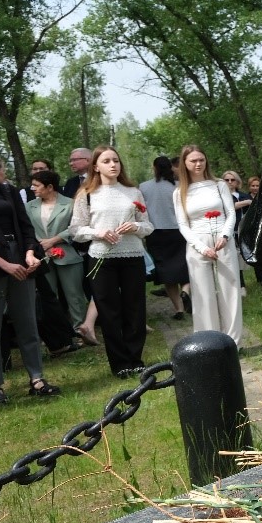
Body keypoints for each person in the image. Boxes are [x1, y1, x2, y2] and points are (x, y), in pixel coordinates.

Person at [0, 138, 61, 405]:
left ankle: (37, 379)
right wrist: (5, 264)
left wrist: (30, 253)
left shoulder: (7, 190)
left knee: (27, 322)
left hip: (20, 260)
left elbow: (25, 226)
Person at [70, 145, 155, 377]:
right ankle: (120, 364)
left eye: (115, 160)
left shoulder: (133, 192)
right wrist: (98, 233)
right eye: (106, 161)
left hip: (133, 256)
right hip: (101, 258)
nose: (113, 165)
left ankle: (135, 359)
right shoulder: (86, 194)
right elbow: (76, 230)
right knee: (109, 311)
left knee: (135, 309)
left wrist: (135, 226)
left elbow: (148, 226)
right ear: (95, 167)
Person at [174, 147, 243, 345]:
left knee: (230, 289)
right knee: (202, 293)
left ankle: (232, 342)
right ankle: (209, 343)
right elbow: (183, 224)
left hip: (223, 239)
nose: (198, 164)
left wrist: (225, 235)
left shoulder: (219, 185)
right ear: (184, 164)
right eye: (193, 161)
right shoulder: (180, 192)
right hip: (197, 242)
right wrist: (201, 247)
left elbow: (230, 213)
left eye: (201, 160)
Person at [26, 170, 88, 329]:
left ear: (50, 187)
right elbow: (27, 228)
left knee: (74, 295)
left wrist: (53, 241)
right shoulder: (29, 206)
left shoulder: (70, 203)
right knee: (48, 296)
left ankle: (80, 329)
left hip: (67, 255)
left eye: (36, 185)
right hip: (41, 257)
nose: (32, 188)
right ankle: (56, 333)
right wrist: (40, 245)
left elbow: (77, 226)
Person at [139, 156, 189, 319]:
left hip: (156, 234)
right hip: (178, 231)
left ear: (154, 168)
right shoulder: (179, 186)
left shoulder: (144, 187)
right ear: (171, 168)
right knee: (184, 266)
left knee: (167, 273)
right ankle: (186, 291)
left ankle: (179, 309)